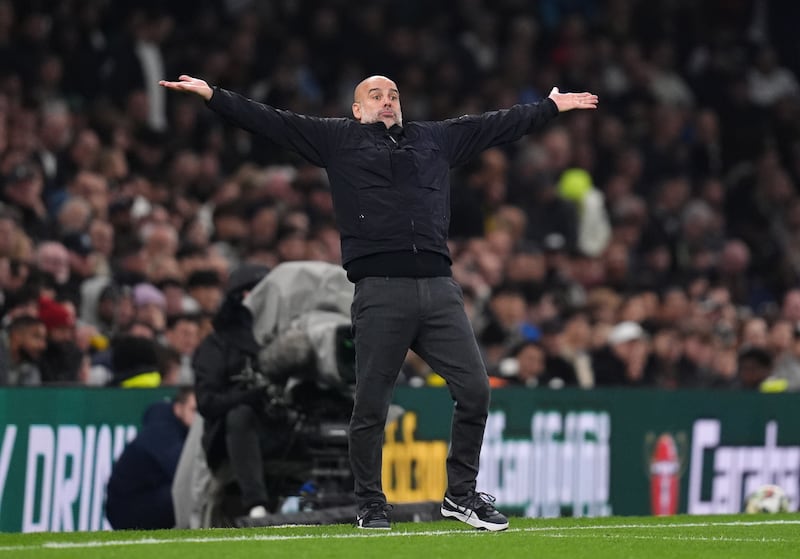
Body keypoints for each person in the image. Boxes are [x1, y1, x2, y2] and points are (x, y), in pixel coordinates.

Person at [160, 73, 597, 531]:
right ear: (357, 109)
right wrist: (213, 96)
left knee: (475, 390)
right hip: (380, 289)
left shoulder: (434, 139)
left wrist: (548, 107)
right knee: (371, 404)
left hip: (439, 287)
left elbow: (494, 125)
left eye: (393, 95)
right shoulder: (337, 139)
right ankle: (369, 503)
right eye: (375, 95)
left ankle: (460, 496)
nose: (387, 101)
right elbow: (271, 122)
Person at [191, 263, 294, 521]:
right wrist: (247, 395)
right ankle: (255, 504)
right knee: (241, 414)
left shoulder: (288, 335)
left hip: (282, 428)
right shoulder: (218, 344)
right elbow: (207, 402)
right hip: (233, 438)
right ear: (243, 297)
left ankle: (352, 493)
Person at [105, 387, 197, 530]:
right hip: (126, 509)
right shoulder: (162, 431)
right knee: (186, 491)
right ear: (179, 408)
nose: (198, 418)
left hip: (140, 500)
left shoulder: (173, 428)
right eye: (194, 410)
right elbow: (183, 472)